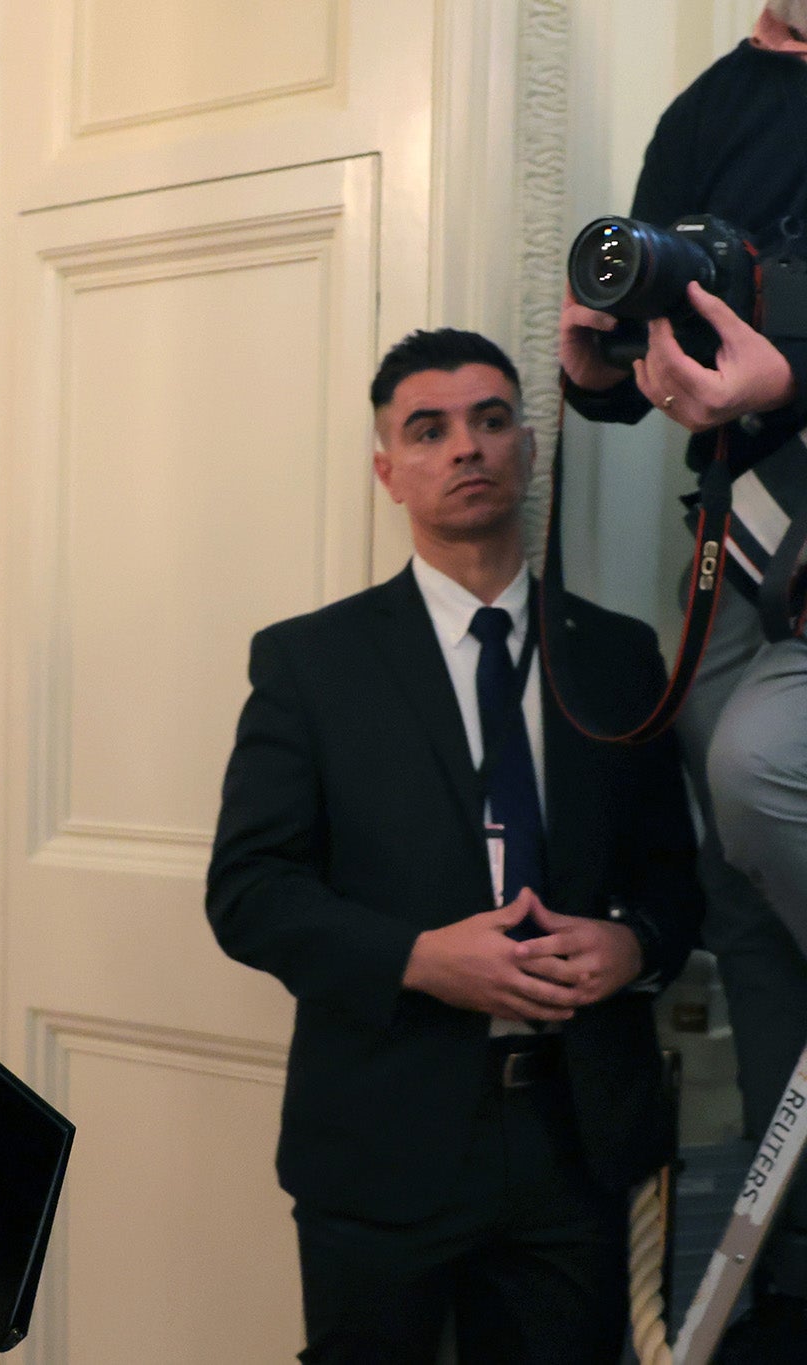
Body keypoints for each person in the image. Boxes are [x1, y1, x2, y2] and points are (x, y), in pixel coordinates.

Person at [206, 330, 703, 1364]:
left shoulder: (619, 656)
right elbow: (248, 892)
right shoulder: (310, 663)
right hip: (378, 1134)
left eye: (489, 420)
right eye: (427, 430)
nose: (465, 447)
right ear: (388, 471)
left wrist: (632, 947)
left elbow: (674, 881)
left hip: (577, 1139)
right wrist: (420, 958)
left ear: (527, 447)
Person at [559, 7, 807, 1353]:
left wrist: (790, 370)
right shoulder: (709, 106)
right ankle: (792, 1253)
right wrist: (592, 360)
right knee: (739, 889)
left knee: (760, 770)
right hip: (731, 538)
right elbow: (642, 335)